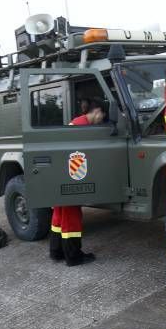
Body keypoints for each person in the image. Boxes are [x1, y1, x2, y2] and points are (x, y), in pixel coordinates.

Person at [49, 100, 106, 266]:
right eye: (102, 114)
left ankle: (56, 252)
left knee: (59, 216)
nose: (102, 118)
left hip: (62, 176)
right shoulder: (81, 127)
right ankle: (74, 257)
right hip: (70, 176)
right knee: (71, 217)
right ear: (97, 111)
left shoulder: (77, 123)